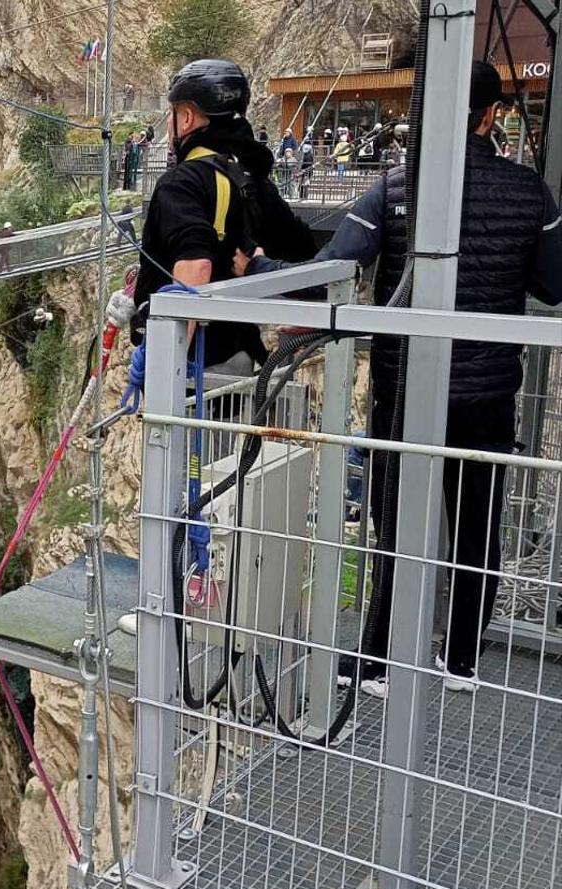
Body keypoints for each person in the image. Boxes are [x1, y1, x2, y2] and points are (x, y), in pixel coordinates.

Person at [235, 61, 562, 695]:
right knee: (476, 525)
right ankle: (461, 659)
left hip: (405, 387)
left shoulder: (393, 188)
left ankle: (379, 659)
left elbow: (333, 269)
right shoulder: (530, 193)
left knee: (393, 524)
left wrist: (258, 266)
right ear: (490, 116)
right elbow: (554, 282)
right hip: (487, 397)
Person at [132, 59, 316, 374]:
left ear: (186, 117)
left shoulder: (180, 184)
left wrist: (166, 374)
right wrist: (258, 267)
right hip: (242, 356)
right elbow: (309, 257)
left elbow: (196, 267)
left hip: (197, 369)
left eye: (173, 114)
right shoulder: (254, 183)